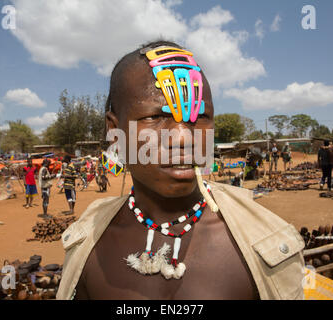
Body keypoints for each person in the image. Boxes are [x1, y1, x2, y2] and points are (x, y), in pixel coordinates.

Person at [56, 41, 305, 300]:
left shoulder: (266, 245)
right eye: (154, 117)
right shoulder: (88, 246)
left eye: (198, 117)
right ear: (114, 130)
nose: (183, 138)